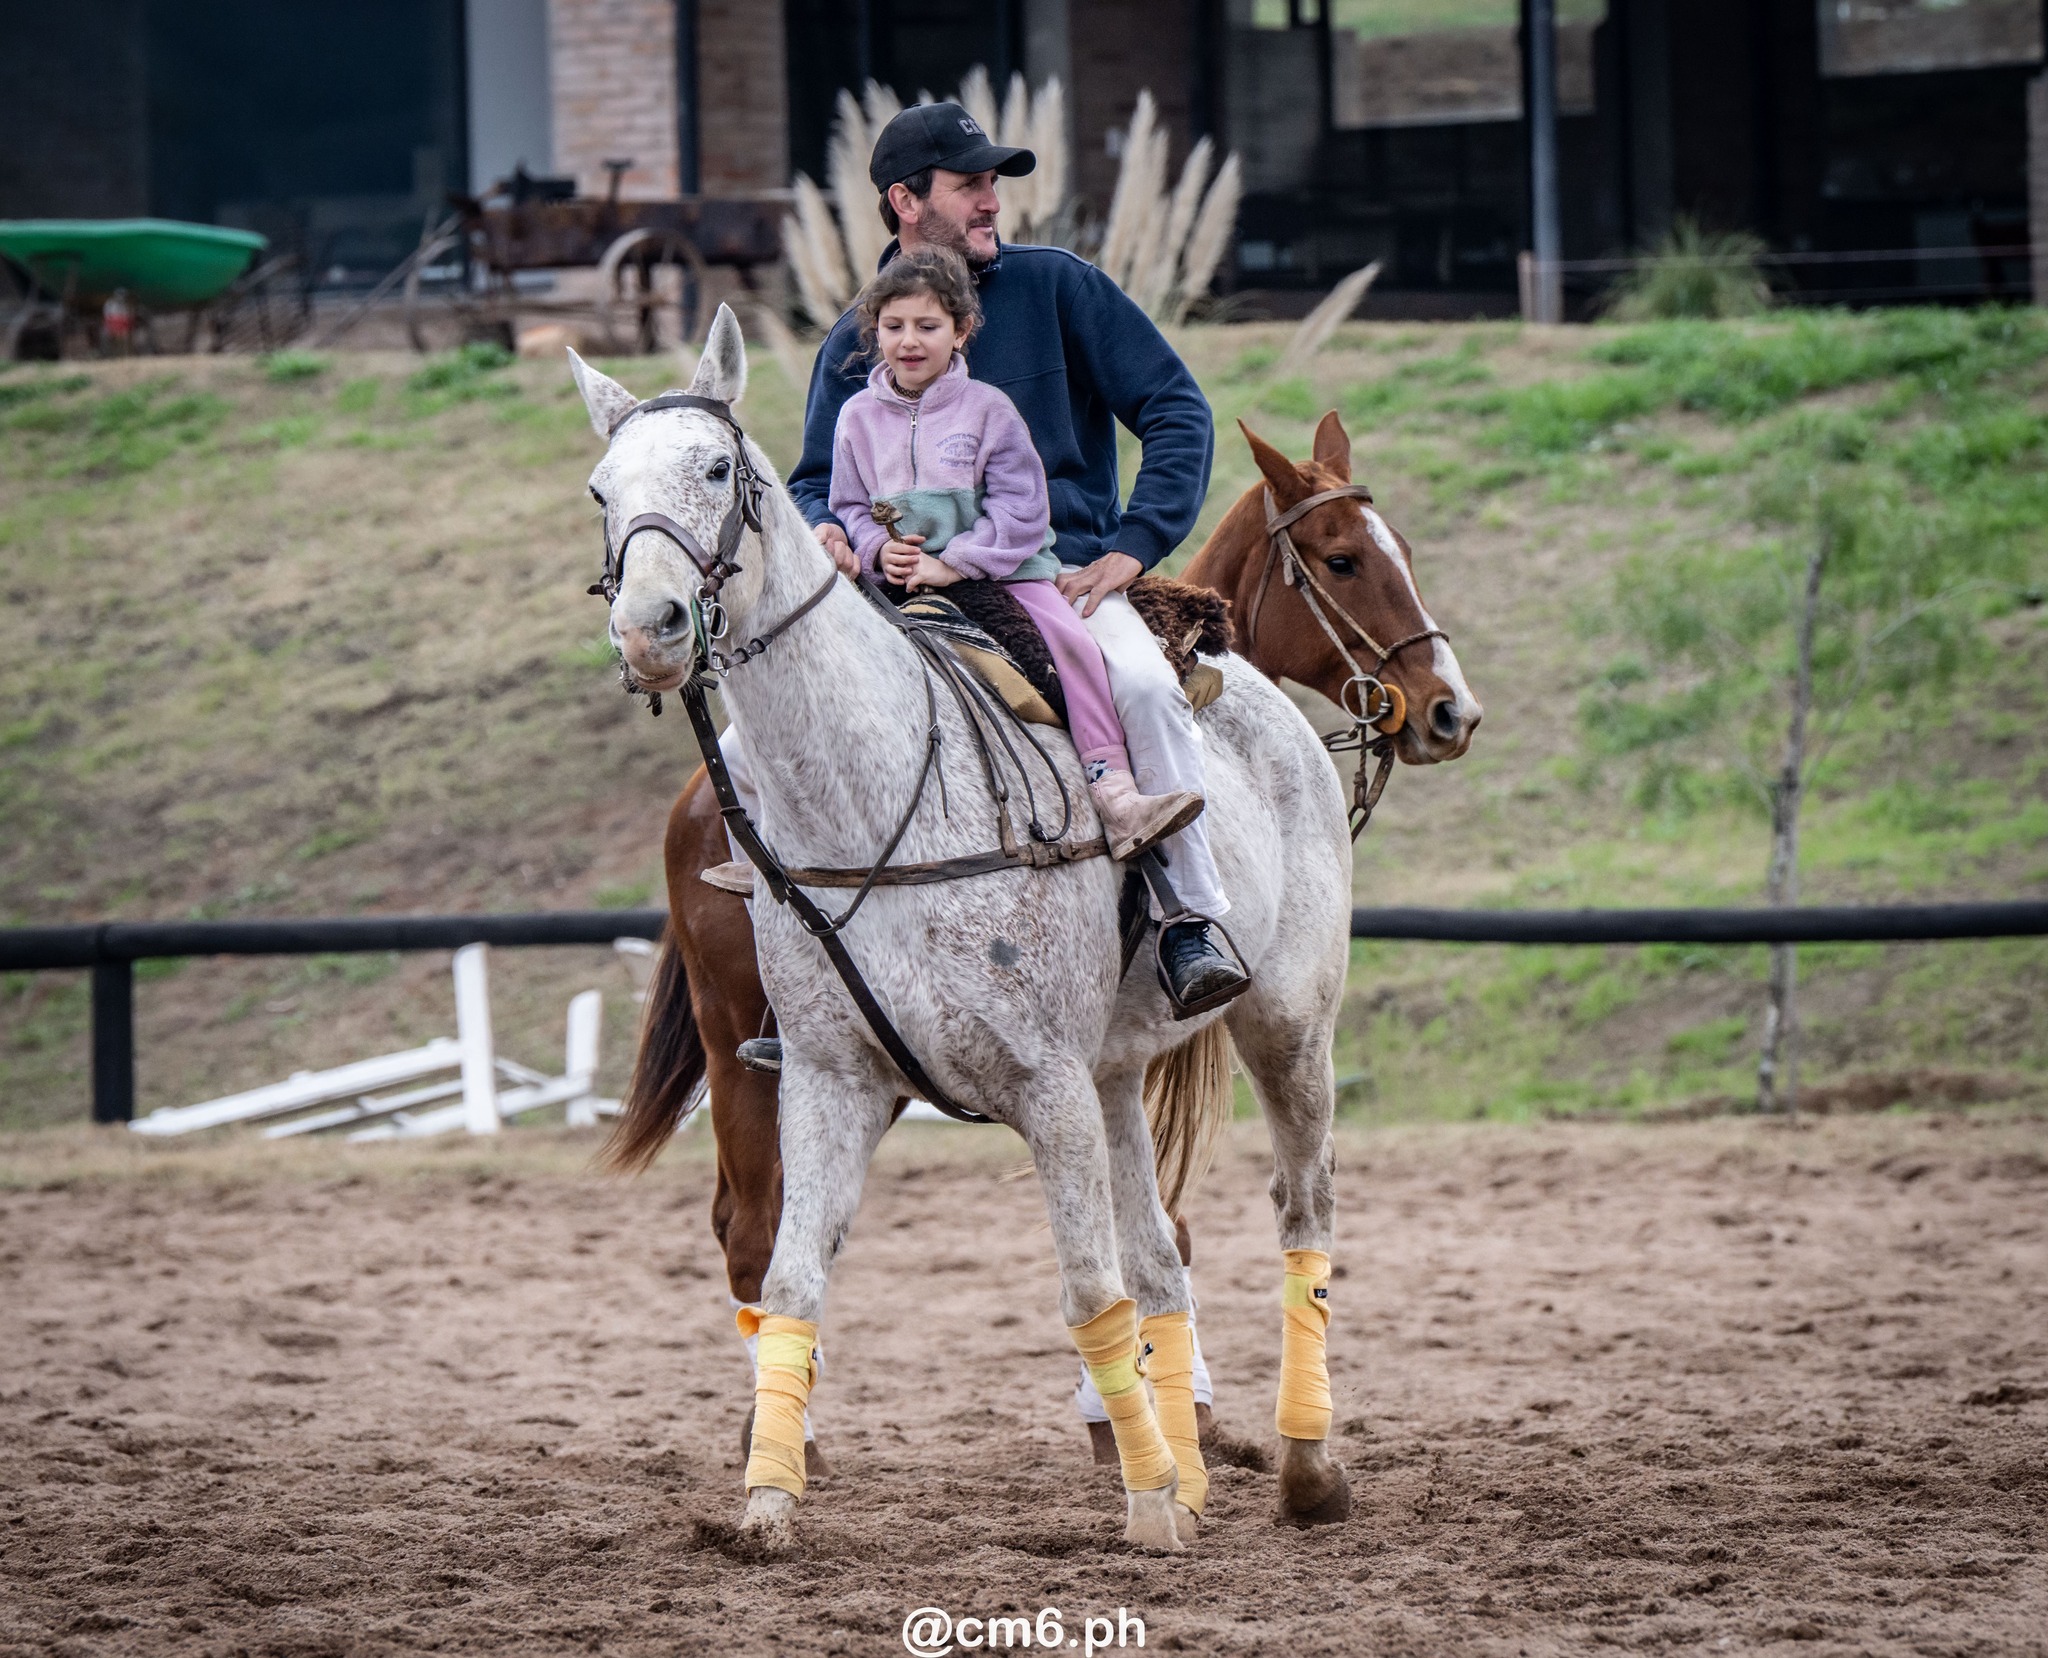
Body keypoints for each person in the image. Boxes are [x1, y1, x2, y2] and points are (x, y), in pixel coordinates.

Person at [786, 100, 1249, 1015]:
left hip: (1055, 573)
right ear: (905, 201)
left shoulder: (1061, 288)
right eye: (972, 184)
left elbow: (1176, 411)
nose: (993, 200)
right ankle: (785, 958)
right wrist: (829, 532)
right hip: (901, 589)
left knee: (1148, 688)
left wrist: (1134, 545)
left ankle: (1189, 920)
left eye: (994, 182)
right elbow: (812, 480)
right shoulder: (863, 332)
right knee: (758, 724)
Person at [829, 245, 1203, 862]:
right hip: (902, 583)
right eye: (893, 328)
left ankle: (1113, 788)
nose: (909, 343)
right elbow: (847, 505)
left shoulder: (989, 411)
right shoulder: (855, 419)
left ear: (961, 331)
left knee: (1074, 647)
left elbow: (1023, 511)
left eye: (928, 327)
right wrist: (875, 554)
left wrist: (955, 564)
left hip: (1009, 572)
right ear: (875, 332)